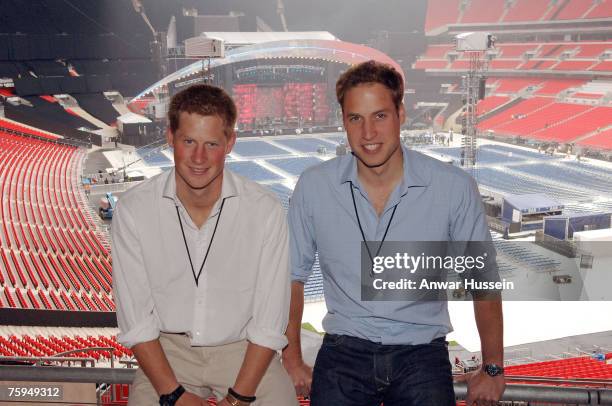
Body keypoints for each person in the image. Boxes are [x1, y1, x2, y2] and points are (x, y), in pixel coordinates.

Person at [282, 60, 505, 406]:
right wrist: (292, 358)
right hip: (344, 349)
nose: (368, 133)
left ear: (401, 113)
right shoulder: (314, 187)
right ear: (343, 121)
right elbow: (291, 278)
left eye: (380, 116)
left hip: (422, 353)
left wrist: (492, 367)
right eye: (355, 118)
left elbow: (482, 280)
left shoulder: (453, 188)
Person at [112, 84, 297, 406]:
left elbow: (269, 321)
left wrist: (238, 399)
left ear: (230, 143)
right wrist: (173, 395)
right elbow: (137, 321)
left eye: (211, 144)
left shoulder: (264, 209)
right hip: (167, 352)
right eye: (188, 142)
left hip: (243, 349)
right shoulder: (133, 209)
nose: (199, 158)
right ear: (170, 138)